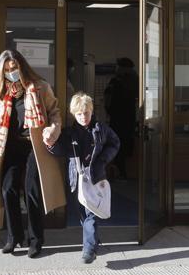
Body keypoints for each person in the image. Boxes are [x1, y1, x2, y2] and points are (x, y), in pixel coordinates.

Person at [0, 49, 66, 258]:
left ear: (22, 67)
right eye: (7, 69)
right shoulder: (5, 94)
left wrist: (53, 129)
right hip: (11, 147)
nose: (12, 72)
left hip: (34, 147)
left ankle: (36, 240)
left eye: (15, 68)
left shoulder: (40, 87)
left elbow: (55, 112)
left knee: (32, 191)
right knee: (8, 188)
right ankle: (14, 237)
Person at [46, 92, 120, 264]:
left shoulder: (101, 129)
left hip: (95, 176)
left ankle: (88, 249)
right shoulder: (69, 133)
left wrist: (102, 160)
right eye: (79, 113)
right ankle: (93, 242)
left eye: (86, 113)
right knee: (82, 213)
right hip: (77, 178)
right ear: (74, 113)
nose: (83, 117)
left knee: (91, 213)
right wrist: (50, 144)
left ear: (91, 111)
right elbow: (60, 149)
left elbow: (115, 142)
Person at [104, 57, 138, 179]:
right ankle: (122, 173)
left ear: (123, 68)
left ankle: (119, 173)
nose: (116, 68)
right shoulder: (137, 80)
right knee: (125, 146)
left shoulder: (116, 81)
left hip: (117, 120)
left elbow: (108, 99)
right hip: (130, 120)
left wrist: (108, 112)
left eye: (118, 66)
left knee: (116, 145)